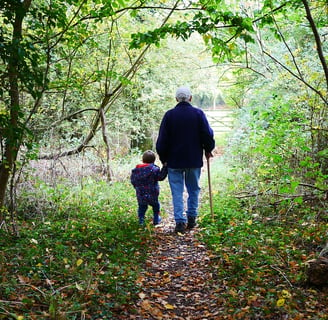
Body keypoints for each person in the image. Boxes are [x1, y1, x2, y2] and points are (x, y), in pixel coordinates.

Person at [156, 86, 215, 233]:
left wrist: (164, 158)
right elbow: (207, 134)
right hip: (193, 159)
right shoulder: (198, 114)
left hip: (174, 161)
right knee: (193, 189)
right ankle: (192, 218)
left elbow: (162, 141)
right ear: (190, 98)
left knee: (177, 191)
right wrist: (208, 149)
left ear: (176, 99)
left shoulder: (169, 115)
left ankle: (180, 222)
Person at [130, 150, 168, 225]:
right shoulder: (154, 170)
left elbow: (133, 181)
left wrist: (137, 187)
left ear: (143, 160)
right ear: (153, 160)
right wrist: (165, 167)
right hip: (152, 193)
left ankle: (141, 220)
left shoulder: (136, 171)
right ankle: (156, 219)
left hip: (140, 193)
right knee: (156, 206)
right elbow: (161, 177)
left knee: (142, 207)